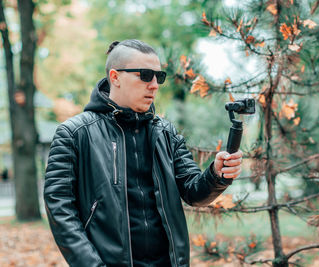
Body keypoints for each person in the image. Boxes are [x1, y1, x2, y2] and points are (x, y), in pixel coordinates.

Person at [44, 39, 243, 267]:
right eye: (145, 75)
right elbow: (60, 209)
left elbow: (193, 192)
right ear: (115, 77)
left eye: (159, 77)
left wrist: (216, 174)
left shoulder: (165, 132)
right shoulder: (74, 133)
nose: (155, 85)